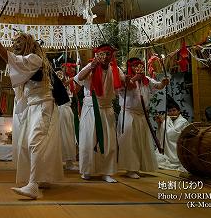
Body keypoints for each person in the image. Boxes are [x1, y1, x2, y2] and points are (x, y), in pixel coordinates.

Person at [0, 25, 63, 199]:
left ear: (28, 45)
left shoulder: (34, 59)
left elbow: (9, 58)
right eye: (14, 43)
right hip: (32, 106)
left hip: (43, 104)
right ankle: (38, 179)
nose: (16, 45)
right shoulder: (27, 65)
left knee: (35, 141)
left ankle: (33, 185)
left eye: (19, 43)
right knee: (29, 143)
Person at [74, 44, 122, 183]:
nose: (106, 57)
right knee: (89, 139)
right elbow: (79, 78)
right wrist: (91, 67)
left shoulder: (115, 69)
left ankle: (107, 172)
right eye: (103, 54)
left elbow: (125, 82)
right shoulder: (91, 66)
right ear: (97, 55)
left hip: (107, 108)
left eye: (108, 54)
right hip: (91, 107)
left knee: (108, 141)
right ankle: (87, 170)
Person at [117, 57, 169, 179]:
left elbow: (158, 86)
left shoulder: (146, 80)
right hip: (128, 114)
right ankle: (130, 168)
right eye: (135, 66)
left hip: (141, 115)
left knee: (142, 142)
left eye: (140, 66)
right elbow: (123, 88)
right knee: (130, 142)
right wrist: (135, 78)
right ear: (131, 68)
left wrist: (163, 82)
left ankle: (139, 166)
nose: (139, 68)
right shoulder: (126, 78)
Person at [155, 97, 189, 170]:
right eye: (170, 111)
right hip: (168, 150)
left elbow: (172, 134)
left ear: (179, 111)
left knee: (160, 161)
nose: (172, 113)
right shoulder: (169, 120)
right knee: (156, 159)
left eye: (174, 110)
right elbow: (161, 135)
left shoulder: (183, 121)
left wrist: (164, 122)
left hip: (178, 149)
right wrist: (159, 124)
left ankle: (172, 160)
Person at [56, 68, 78, 170]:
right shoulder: (57, 82)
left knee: (69, 136)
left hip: (67, 110)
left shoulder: (69, 81)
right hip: (59, 110)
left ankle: (69, 162)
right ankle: (56, 162)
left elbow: (75, 92)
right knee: (59, 136)